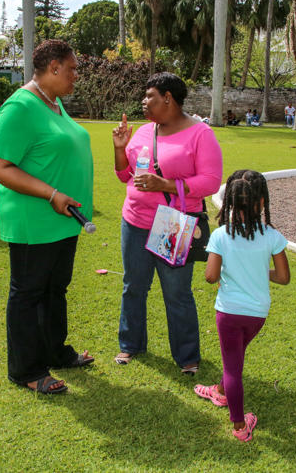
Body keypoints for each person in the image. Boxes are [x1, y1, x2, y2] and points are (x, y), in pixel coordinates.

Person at [0, 39, 94, 395]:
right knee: (28, 294)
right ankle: (26, 370)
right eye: (72, 69)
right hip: (34, 220)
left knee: (54, 290)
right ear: (53, 67)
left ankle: (55, 352)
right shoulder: (20, 106)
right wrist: (51, 194)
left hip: (64, 219)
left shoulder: (54, 102)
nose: (76, 75)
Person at [112, 72, 223, 374]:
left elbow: (211, 181)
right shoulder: (144, 132)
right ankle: (130, 344)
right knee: (133, 286)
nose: (143, 101)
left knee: (176, 292)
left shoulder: (200, 134)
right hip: (135, 220)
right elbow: (124, 175)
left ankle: (187, 357)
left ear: (168, 98)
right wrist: (120, 148)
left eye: (149, 96)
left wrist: (166, 184)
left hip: (173, 224)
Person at [194, 170, 290, 441]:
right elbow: (283, 277)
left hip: (229, 312)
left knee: (232, 368)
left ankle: (239, 426)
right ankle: (220, 391)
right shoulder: (272, 236)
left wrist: (231, 269)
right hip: (257, 314)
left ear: (230, 203)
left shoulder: (221, 236)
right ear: (262, 202)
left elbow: (210, 277)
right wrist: (258, 272)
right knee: (234, 358)